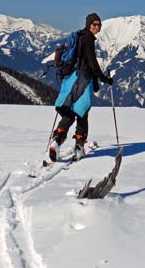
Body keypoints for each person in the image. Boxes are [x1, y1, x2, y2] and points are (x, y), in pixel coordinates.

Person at [48, 12, 113, 163]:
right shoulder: (88, 38)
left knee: (69, 112)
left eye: (99, 24)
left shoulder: (80, 36)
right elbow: (92, 62)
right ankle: (78, 147)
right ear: (89, 24)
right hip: (83, 80)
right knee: (82, 113)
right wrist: (103, 78)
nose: (97, 27)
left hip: (71, 78)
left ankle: (57, 139)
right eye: (94, 24)